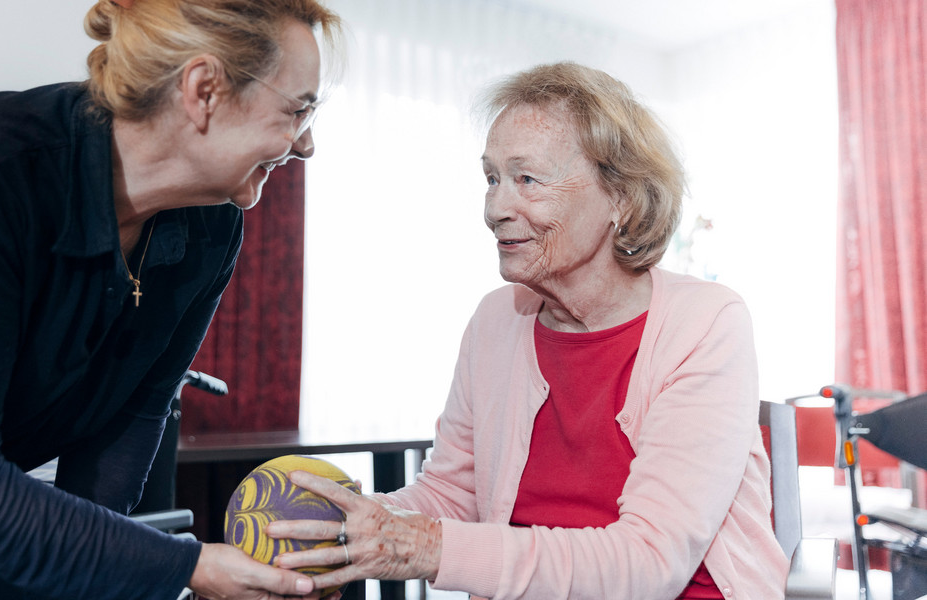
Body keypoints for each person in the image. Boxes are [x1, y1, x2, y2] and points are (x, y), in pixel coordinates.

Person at [0, 0, 342, 598]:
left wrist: (104, 577)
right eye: (297, 111)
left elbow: (132, 415)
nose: (307, 144)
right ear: (204, 90)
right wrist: (183, 567)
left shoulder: (209, 228)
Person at [267, 61, 789, 599]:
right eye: (492, 178)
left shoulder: (706, 322)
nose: (495, 208)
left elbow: (650, 562)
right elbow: (453, 491)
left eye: (527, 179)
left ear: (621, 197)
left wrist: (419, 545)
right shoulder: (495, 320)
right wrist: (351, 523)